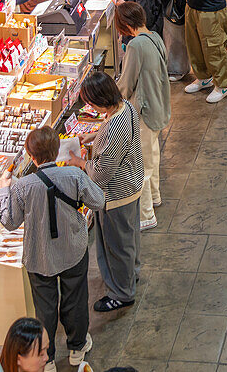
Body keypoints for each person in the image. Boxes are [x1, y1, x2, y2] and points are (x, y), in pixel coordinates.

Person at [0, 128, 106, 368]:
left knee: (44, 308)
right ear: (57, 150)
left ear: (31, 156)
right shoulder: (73, 175)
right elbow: (98, 201)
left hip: (40, 256)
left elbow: (9, 221)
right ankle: (77, 348)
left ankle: (47, 360)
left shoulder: (23, 186)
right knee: (76, 298)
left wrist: (4, 189)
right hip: (73, 249)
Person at [68, 72, 144, 312]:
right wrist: (92, 135)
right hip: (132, 185)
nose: (90, 107)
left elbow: (101, 173)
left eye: (91, 103)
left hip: (117, 195)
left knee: (116, 245)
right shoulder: (126, 107)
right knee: (129, 239)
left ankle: (122, 293)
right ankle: (130, 275)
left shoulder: (113, 128)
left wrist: (80, 164)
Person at [112, 2, 170, 232]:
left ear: (125, 25)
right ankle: (155, 197)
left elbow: (126, 83)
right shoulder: (155, 36)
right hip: (159, 107)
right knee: (153, 156)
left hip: (145, 112)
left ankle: (146, 215)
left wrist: (111, 101)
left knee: (142, 166)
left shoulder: (136, 45)